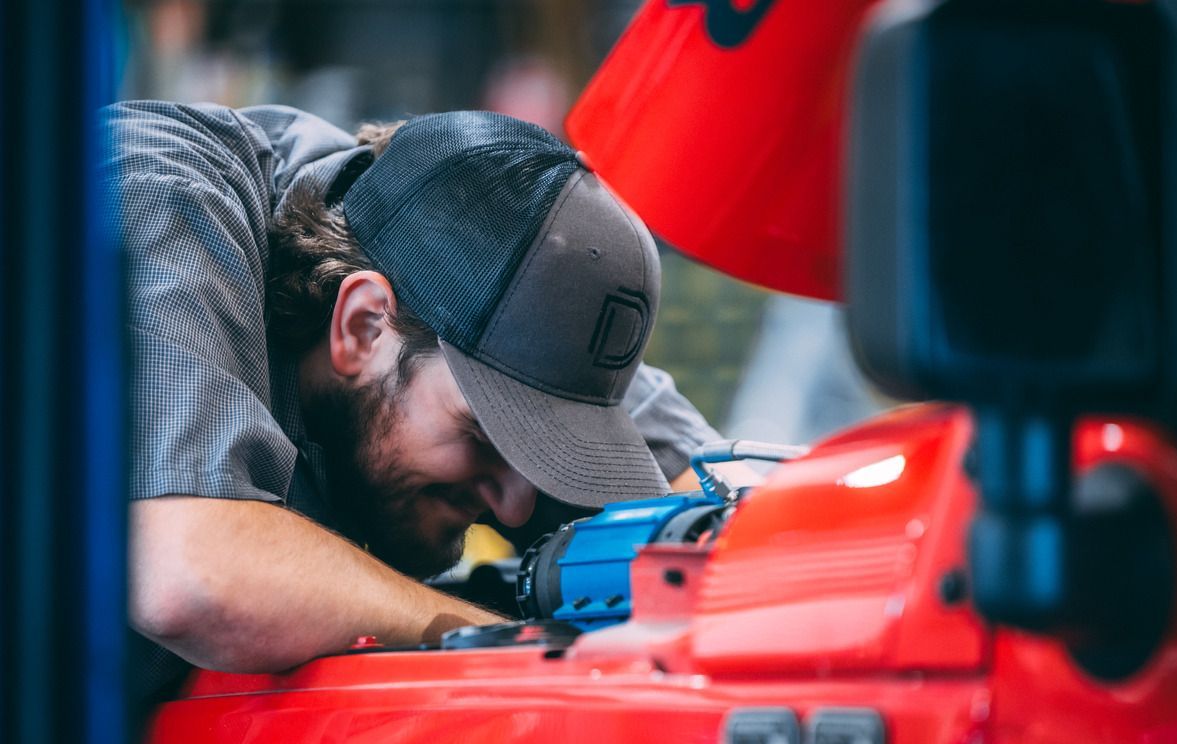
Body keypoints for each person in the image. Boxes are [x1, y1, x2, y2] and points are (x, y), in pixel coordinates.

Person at [105, 102, 720, 678]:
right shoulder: (153, 201)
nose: (515, 509)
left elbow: (722, 502)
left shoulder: (514, 291)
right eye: (484, 436)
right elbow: (194, 576)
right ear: (364, 325)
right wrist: (526, 654)